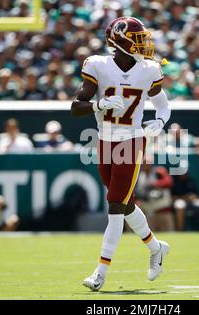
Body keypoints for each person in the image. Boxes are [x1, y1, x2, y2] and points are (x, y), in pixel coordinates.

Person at [71, 17, 171, 291]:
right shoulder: (98, 65)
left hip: (131, 141)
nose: (144, 44)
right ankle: (156, 247)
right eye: (137, 39)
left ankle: (100, 272)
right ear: (119, 40)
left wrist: (160, 123)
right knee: (125, 205)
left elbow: (163, 104)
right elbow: (75, 106)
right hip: (104, 141)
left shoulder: (149, 69)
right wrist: (99, 104)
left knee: (115, 204)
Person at [135, 155, 174, 232]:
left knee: (168, 233)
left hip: (162, 208)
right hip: (148, 209)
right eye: (143, 163)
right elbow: (136, 191)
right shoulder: (139, 175)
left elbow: (169, 182)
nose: (145, 165)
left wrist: (154, 184)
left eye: (147, 163)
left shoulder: (159, 171)